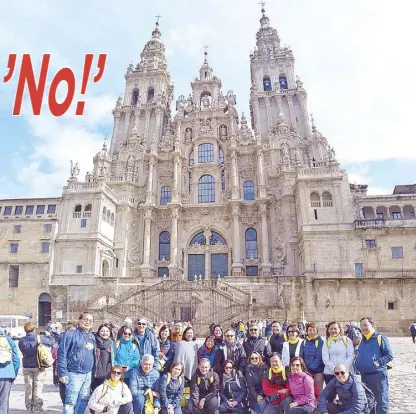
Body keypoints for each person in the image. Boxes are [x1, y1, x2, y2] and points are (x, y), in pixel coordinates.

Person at [58, 312, 96, 414]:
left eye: (90, 320)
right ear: (79, 321)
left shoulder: (92, 337)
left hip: (87, 374)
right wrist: (62, 373)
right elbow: (62, 353)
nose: (87, 322)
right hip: (74, 373)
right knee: (71, 401)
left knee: (84, 399)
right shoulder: (70, 335)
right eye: (85, 319)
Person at [355, 317, 393, 414]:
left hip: (377, 375)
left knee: (381, 401)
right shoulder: (362, 340)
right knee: (369, 400)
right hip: (364, 375)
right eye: (361, 326)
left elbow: (389, 355)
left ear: (372, 325)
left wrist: (378, 363)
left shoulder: (380, 338)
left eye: (365, 325)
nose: (363, 328)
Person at [18, 321, 54, 412]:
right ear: (34, 329)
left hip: (26, 366)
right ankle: (38, 407)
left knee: (28, 387)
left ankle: (29, 408)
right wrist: (48, 334)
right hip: (38, 365)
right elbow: (51, 342)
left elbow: (22, 350)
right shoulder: (39, 338)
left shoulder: (21, 340)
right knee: (38, 387)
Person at [322, 321, 354, 391]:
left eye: (335, 328)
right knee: (330, 397)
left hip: (344, 373)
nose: (333, 331)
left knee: (344, 396)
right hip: (330, 373)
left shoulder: (347, 340)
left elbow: (351, 355)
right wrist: (335, 370)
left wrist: (342, 369)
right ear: (328, 330)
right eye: (331, 329)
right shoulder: (326, 342)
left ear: (339, 329)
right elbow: (325, 358)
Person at [0, 327, 20, 414]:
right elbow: (16, 360)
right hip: (6, 374)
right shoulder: (8, 340)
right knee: (4, 401)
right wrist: (14, 374)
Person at [92, 323, 117, 392]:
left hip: (107, 372)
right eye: (102, 331)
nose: (105, 333)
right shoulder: (94, 342)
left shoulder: (112, 343)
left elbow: (114, 357)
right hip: (95, 372)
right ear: (99, 332)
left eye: (107, 331)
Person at [303, 322, 324, 392]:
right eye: (310, 330)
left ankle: (320, 402)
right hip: (307, 370)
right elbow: (301, 354)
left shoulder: (320, 341)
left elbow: (319, 355)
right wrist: (304, 367)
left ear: (317, 331)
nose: (312, 332)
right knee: (309, 389)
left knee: (318, 389)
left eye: (314, 330)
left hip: (318, 370)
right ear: (307, 331)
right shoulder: (304, 341)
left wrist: (312, 367)